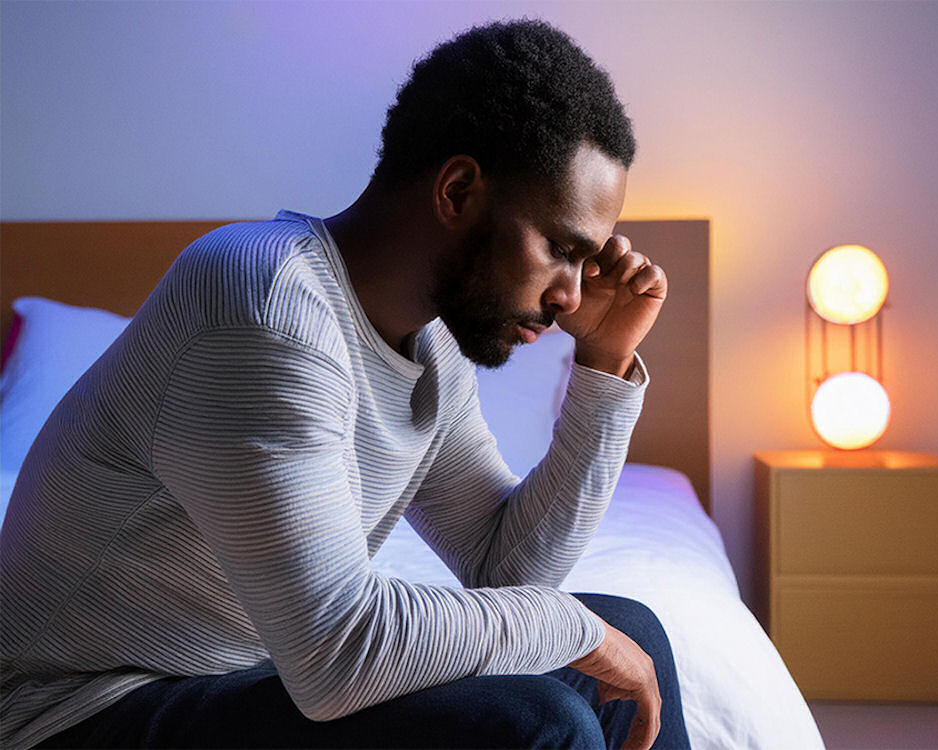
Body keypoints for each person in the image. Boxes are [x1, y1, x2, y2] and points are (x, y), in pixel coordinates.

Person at [0, 19, 690, 750]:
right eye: (560, 249)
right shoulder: (262, 303)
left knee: (631, 630)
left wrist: (603, 370)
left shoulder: (431, 342)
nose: (572, 297)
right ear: (457, 191)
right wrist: (573, 629)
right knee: (538, 721)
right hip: (76, 712)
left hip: (241, 681)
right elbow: (340, 656)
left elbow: (508, 572)